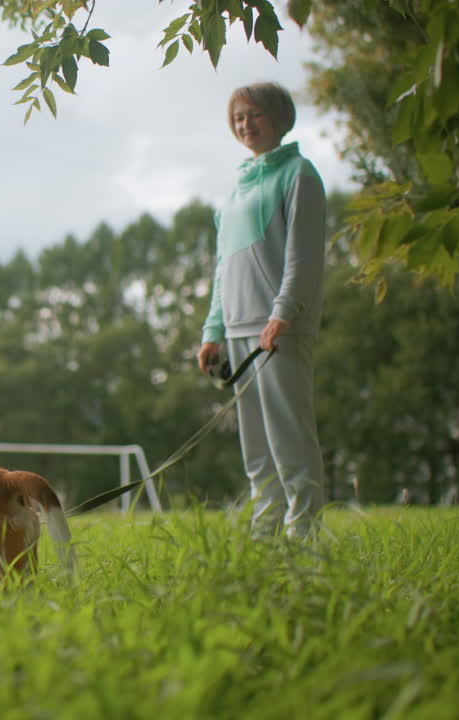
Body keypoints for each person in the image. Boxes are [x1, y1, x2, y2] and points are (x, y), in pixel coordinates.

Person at [197, 82, 327, 539]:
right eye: (238, 119)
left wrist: (284, 312)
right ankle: (265, 529)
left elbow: (304, 256)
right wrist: (212, 330)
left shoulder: (299, 175)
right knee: (256, 446)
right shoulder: (234, 192)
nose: (245, 125)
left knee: (289, 436)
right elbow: (222, 268)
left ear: (278, 118)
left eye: (253, 115)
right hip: (237, 327)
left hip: (279, 328)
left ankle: (304, 534)